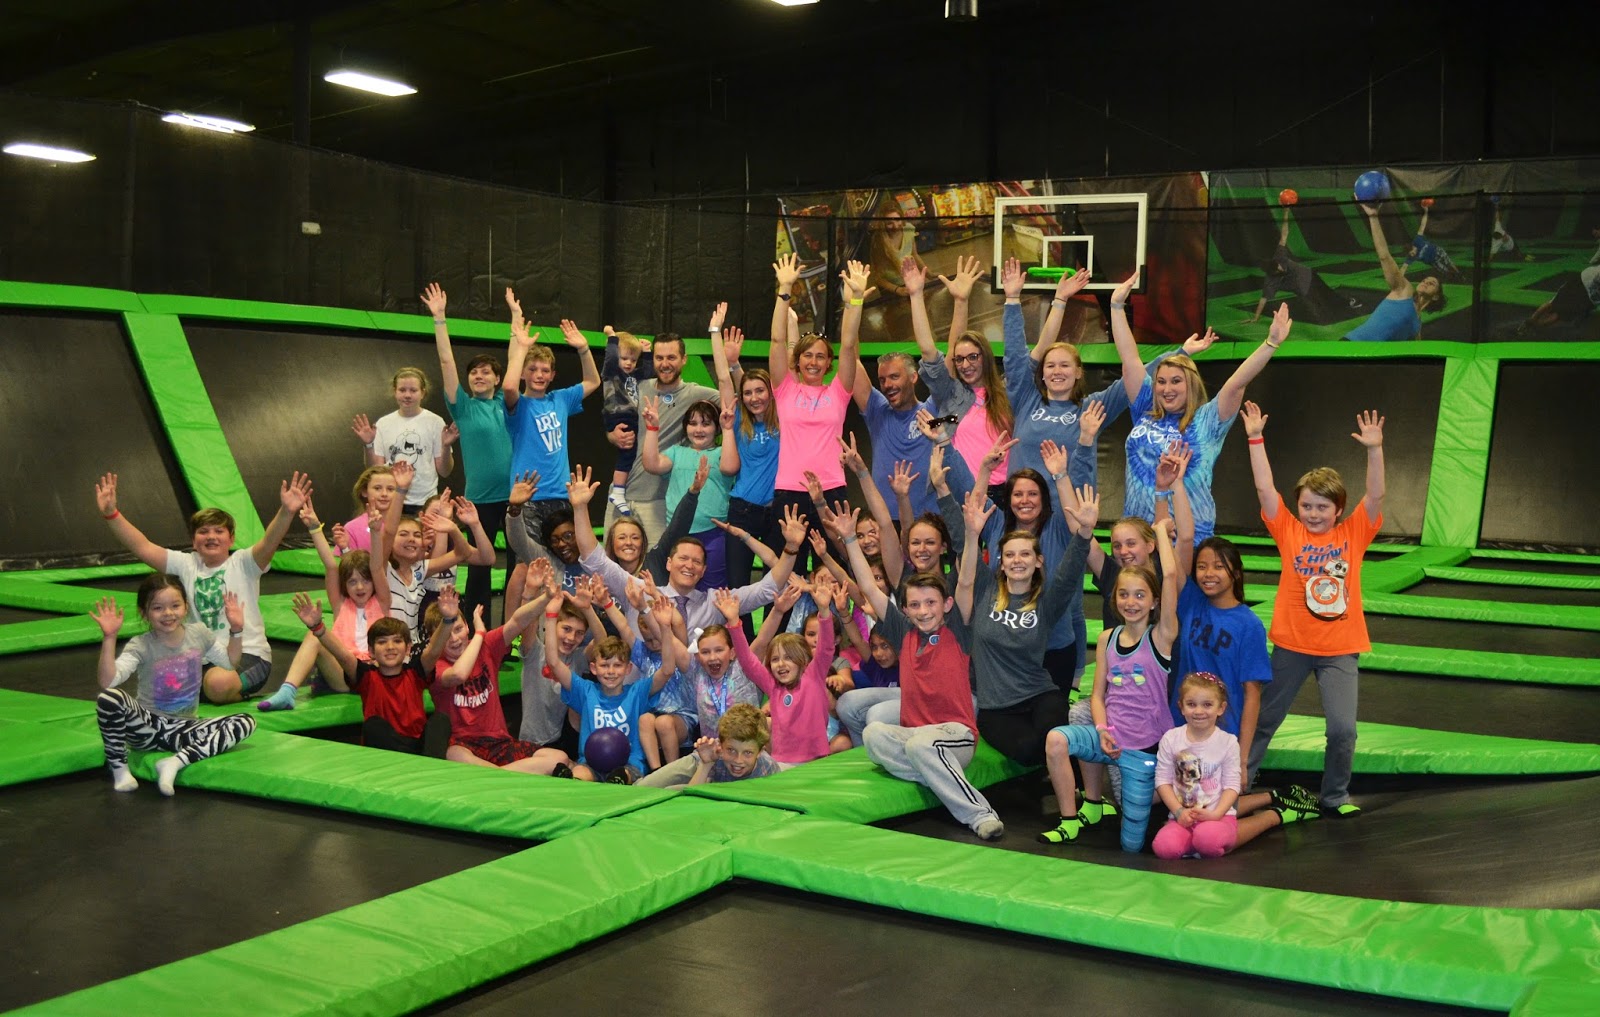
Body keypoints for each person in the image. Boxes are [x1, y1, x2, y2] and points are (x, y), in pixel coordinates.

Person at [1242, 403, 1386, 817]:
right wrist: (1255, 439)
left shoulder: (1354, 533)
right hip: (1291, 645)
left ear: (1338, 510)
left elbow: (1376, 495)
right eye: (1307, 506)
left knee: (1342, 730)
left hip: (1340, 648)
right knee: (1263, 720)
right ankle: (1238, 784)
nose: (1313, 514)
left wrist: (1374, 449)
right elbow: (1265, 489)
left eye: (1322, 507)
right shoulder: (1289, 530)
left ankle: (1335, 796)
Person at [829, 511, 1005, 843]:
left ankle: (980, 814)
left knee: (923, 745)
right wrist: (850, 539)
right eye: (915, 605)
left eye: (930, 603)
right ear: (906, 609)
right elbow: (868, 587)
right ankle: (937, 777)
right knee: (874, 735)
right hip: (915, 737)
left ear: (947, 604)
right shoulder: (903, 632)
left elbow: (966, 581)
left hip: (955, 735)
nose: (923, 611)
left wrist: (971, 535)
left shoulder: (958, 630)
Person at [95, 470, 309, 704]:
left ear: (231, 538)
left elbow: (270, 541)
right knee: (157, 684)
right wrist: (111, 514)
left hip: (248, 656)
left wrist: (286, 511)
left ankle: (222, 693)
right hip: (200, 659)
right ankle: (203, 690)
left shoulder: (244, 563)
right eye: (203, 532)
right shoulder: (186, 564)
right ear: (193, 540)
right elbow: (142, 546)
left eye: (219, 531)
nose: (211, 537)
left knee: (217, 684)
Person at [1110, 273, 1292, 542]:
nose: (1166, 389)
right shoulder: (1146, 408)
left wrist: (1271, 343)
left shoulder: (1208, 420)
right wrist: (1116, 307)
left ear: (1191, 385)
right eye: (1161, 382)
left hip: (1188, 536)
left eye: (1176, 381)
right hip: (1138, 536)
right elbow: (1130, 360)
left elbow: (1236, 384)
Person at [1039, 516, 1180, 851]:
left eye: (1140, 596)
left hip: (1141, 750)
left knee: (1131, 844)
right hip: (1110, 737)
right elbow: (1098, 696)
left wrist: (1161, 533)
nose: (1131, 603)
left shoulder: (1162, 637)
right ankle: (1070, 819)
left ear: (1154, 601)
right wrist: (1102, 730)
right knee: (1056, 739)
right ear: (1115, 599)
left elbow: (1171, 576)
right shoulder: (1106, 639)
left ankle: (1169, 787)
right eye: (1124, 595)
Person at [954, 477, 1098, 768]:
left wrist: (1084, 533)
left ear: (1038, 561)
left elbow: (1070, 572)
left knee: (1054, 735)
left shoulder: (1046, 602)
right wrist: (970, 533)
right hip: (996, 707)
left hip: (1039, 693)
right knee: (1029, 749)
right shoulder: (986, 590)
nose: (1017, 560)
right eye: (1009, 554)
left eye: (1025, 554)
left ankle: (1074, 781)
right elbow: (966, 574)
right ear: (1001, 561)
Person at [90, 581, 257, 796]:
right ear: (144, 613)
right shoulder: (141, 645)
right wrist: (109, 637)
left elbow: (230, 663)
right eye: (158, 608)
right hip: (148, 728)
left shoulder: (198, 634)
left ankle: (174, 763)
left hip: (184, 729)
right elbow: (108, 681)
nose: (168, 613)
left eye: (175, 606)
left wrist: (236, 630)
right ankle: (120, 769)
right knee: (109, 697)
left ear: (186, 607)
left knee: (245, 721)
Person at [424, 282, 516, 621]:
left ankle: (510, 633)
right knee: (478, 568)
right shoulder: (462, 408)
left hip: (514, 497)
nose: (478, 375)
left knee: (517, 567)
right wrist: (439, 318)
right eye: (474, 372)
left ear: (497, 379)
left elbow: (516, 360)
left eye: (486, 372)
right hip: (479, 501)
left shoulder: (507, 403)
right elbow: (446, 361)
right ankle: (478, 629)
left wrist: (516, 318)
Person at [1152, 673, 1319, 858]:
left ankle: (1271, 816)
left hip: (1219, 816)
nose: (1198, 711)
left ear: (1221, 708)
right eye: (1191, 704)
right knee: (1164, 848)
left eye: (1207, 705)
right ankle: (1193, 843)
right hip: (1184, 817)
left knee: (1208, 841)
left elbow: (1232, 786)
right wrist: (1178, 811)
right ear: (1181, 707)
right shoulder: (1171, 739)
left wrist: (1217, 814)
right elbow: (1162, 780)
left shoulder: (1228, 742)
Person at [768, 253, 862, 572]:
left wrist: (855, 300)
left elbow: (848, 345)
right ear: (798, 361)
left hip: (832, 489)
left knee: (836, 571)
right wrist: (785, 289)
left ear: (828, 363)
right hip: (790, 491)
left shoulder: (838, 391)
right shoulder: (784, 389)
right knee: (786, 575)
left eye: (820, 356)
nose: (813, 361)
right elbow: (777, 340)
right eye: (807, 355)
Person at [259, 495, 391, 711]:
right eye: (352, 582)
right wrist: (314, 528)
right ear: (345, 585)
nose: (360, 587)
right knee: (315, 634)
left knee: (322, 634)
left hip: (373, 673)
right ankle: (287, 691)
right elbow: (330, 565)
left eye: (365, 581)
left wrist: (375, 532)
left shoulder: (382, 602)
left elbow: (376, 567)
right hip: (344, 675)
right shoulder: (341, 605)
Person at [292, 586, 453, 754]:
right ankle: (405, 759)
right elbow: (343, 656)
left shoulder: (415, 672)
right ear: (371, 651)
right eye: (382, 642)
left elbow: (433, 651)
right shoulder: (367, 676)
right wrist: (318, 627)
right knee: (373, 725)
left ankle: (428, 763)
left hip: (417, 748)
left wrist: (448, 619)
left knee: (440, 720)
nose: (390, 647)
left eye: (397, 641)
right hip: (385, 750)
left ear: (408, 648)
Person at [428, 593, 573, 776]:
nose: (455, 639)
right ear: (434, 640)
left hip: (500, 744)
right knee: (453, 754)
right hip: (465, 746)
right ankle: (508, 776)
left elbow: (517, 622)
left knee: (559, 758)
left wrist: (546, 597)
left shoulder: (486, 645)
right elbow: (458, 674)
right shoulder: (435, 667)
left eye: (458, 629)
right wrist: (480, 633)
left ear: (466, 626)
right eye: (446, 635)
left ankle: (497, 775)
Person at [543, 590, 681, 782]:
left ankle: (617, 781)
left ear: (628, 669)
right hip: (590, 764)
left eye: (617, 665)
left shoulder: (637, 692)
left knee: (621, 777)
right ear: (593, 668)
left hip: (628, 766)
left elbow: (667, 670)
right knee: (579, 776)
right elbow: (554, 662)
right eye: (604, 665)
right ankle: (570, 778)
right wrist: (551, 617)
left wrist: (665, 628)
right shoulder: (585, 691)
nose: (610, 671)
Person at [908, 255, 1014, 494]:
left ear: (985, 356)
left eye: (973, 357)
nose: (966, 364)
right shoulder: (952, 394)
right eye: (959, 359)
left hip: (1005, 491)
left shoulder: (1008, 393)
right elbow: (928, 350)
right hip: (961, 490)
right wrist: (916, 295)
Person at [607, 331, 718, 544]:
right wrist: (612, 435)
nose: (665, 364)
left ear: (684, 360)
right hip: (620, 494)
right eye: (659, 358)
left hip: (659, 502)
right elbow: (613, 416)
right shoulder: (636, 387)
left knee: (656, 562)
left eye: (671, 357)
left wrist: (731, 364)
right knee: (611, 561)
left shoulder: (696, 394)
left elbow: (738, 404)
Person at [503, 315, 600, 546]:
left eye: (545, 370)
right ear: (523, 373)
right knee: (529, 559)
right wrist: (521, 348)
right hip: (528, 496)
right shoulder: (519, 404)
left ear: (552, 375)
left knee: (564, 555)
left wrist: (584, 349)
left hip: (561, 494)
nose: (539, 375)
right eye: (532, 369)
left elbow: (593, 381)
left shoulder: (560, 399)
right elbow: (508, 386)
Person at [710, 303, 783, 601]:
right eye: (748, 393)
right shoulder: (739, 418)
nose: (754, 398)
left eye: (760, 391)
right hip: (743, 510)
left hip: (778, 511)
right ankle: (741, 633)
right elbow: (724, 379)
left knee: (777, 585)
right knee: (738, 586)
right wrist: (714, 331)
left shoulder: (784, 418)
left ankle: (776, 633)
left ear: (771, 392)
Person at [379, 462, 495, 642]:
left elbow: (487, 558)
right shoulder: (414, 550)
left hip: (447, 608)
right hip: (424, 614)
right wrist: (442, 531)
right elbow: (435, 562)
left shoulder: (453, 542)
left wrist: (474, 524)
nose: (440, 520)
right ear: (422, 516)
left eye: (444, 515)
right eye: (435, 514)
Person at [723, 584, 836, 768]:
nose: (781, 664)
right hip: (782, 763)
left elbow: (826, 648)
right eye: (775, 659)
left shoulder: (813, 676)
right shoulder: (773, 686)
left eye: (788, 657)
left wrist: (824, 610)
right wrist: (734, 623)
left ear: (804, 661)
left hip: (816, 762)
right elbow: (748, 662)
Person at [641, 396, 735, 589]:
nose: (699, 429)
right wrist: (652, 429)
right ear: (685, 428)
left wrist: (727, 430)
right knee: (679, 588)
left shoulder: (721, 453)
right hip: (679, 534)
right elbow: (651, 464)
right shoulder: (676, 452)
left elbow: (731, 467)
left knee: (713, 588)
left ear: (716, 428)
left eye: (706, 424)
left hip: (714, 534)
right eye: (693, 424)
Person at [1241, 204, 1365, 324]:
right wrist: (1255, 318)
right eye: (1278, 270)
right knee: (1320, 305)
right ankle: (1330, 318)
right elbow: (1263, 300)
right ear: (1272, 273)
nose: (1282, 268)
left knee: (1328, 295)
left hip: (1311, 275)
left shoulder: (1279, 256)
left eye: (1280, 266)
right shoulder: (1271, 282)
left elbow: (1284, 234)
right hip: (1305, 289)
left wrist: (1286, 212)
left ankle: (1348, 303)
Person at [352, 367, 455, 512]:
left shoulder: (435, 422)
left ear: (423, 393)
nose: (407, 395)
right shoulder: (383, 423)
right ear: (395, 391)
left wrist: (446, 446)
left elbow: (445, 471)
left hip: (424, 501)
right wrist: (368, 444)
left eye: (413, 390)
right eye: (402, 390)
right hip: (391, 500)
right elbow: (375, 470)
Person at [852, 349, 936, 524]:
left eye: (894, 377)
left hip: (928, 522)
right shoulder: (877, 412)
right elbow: (852, 359)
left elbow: (946, 366)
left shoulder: (932, 411)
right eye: (882, 380)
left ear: (913, 377)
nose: (887, 385)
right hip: (885, 522)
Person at [1343, 203, 1447, 341]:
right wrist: (1373, 217)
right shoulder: (1404, 290)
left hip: (1374, 354)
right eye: (1425, 280)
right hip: (1352, 344)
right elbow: (1384, 256)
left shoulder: (1417, 325)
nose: (1425, 282)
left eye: (1432, 283)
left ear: (1436, 297)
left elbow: (1416, 347)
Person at [600, 324, 656, 517]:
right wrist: (612, 337)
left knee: (631, 453)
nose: (629, 363)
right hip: (618, 415)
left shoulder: (633, 376)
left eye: (633, 360)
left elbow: (648, 373)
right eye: (624, 358)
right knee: (627, 453)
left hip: (630, 416)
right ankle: (617, 491)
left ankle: (620, 489)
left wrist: (646, 352)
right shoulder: (612, 373)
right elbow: (611, 358)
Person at [687, 703, 781, 784]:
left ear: (760, 752)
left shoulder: (768, 768)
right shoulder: (714, 757)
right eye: (731, 750)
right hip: (696, 760)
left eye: (747, 753)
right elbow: (692, 796)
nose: (738, 760)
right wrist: (706, 764)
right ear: (721, 745)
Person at [334, 465, 398, 556]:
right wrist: (345, 549)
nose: (384, 494)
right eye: (377, 488)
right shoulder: (352, 528)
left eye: (390, 489)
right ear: (364, 491)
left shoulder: (405, 525)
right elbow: (348, 563)